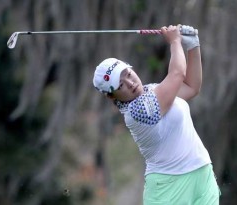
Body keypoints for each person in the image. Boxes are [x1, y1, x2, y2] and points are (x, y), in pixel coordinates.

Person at [92, 24, 221, 205]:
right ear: (111, 96)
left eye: (128, 74)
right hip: (168, 187)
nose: (130, 83)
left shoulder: (152, 90)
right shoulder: (137, 111)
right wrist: (175, 41)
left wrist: (193, 46)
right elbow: (177, 74)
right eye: (120, 85)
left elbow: (191, 87)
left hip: (202, 173)